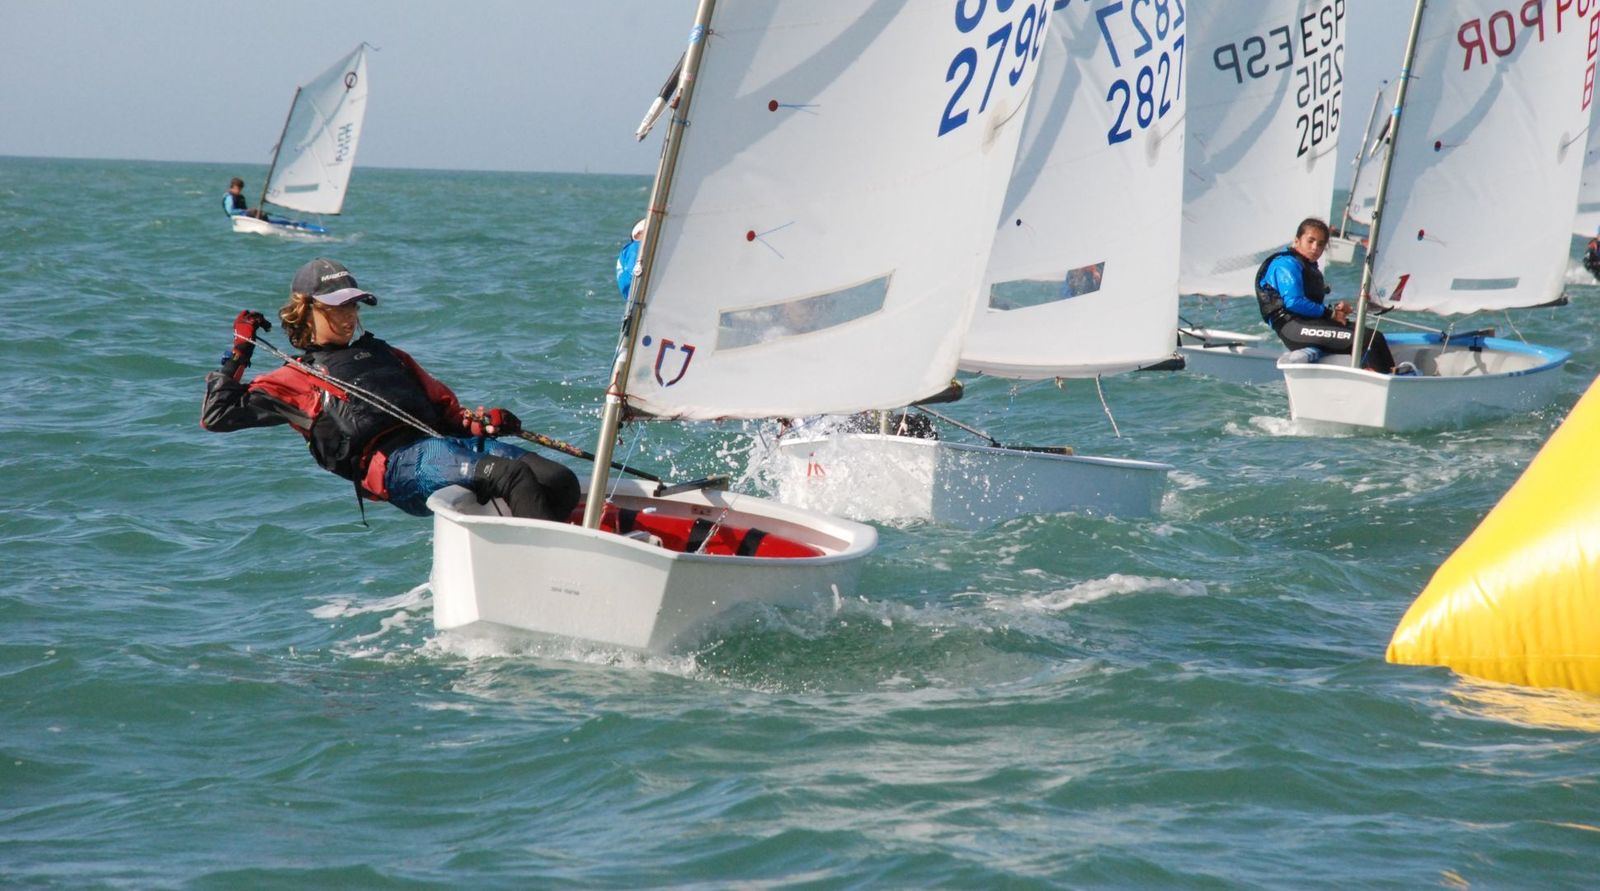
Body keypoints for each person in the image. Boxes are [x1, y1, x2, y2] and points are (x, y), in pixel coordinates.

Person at [200, 258, 581, 521]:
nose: (349, 317)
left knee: (560, 480)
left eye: (353, 307)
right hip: (397, 467)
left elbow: (450, 414)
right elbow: (217, 416)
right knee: (510, 475)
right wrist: (239, 353)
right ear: (305, 310)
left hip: (442, 446)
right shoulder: (298, 378)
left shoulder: (389, 355)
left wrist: (480, 422)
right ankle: (558, 575)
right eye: (337, 309)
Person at [1256, 217, 1404, 374]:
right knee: (1365, 340)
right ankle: (1385, 384)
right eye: (1310, 241)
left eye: (1320, 244)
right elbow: (1294, 302)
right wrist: (1331, 314)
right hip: (1292, 327)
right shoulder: (1286, 264)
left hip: (1308, 323)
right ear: (1297, 240)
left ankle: (1393, 379)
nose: (1315, 248)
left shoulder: (1306, 265)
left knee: (1375, 337)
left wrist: (1335, 311)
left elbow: (1309, 303)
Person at [615, 218, 646, 299]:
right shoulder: (635, 247)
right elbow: (633, 271)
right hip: (638, 293)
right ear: (638, 234)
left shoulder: (628, 250)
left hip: (632, 297)